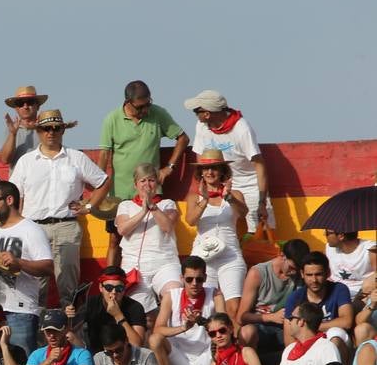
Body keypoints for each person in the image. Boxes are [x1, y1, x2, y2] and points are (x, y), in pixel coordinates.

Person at [10, 108, 110, 306]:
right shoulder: (26, 162)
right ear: (38, 131)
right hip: (34, 228)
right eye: (46, 128)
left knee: (69, 287)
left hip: (66, 225)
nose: (51, 132)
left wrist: (89, 207)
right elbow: (13, 195)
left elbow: (103, 181)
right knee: (34, 288)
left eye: (56, 128)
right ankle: (35, 334)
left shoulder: (76, 157)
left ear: (63, 130)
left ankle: (72, 333)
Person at [96, 80, 189, 252]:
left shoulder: (158, 114)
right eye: (140, 107)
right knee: (115, 239)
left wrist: (170, 167)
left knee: (154, 234)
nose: (145, 110)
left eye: (148, 104)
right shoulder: (112, 119)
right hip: (121, 192)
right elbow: (104, 154)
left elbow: (183, 138)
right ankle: (112, 278)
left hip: (151, 189)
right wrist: (98, 187)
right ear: (127, 102)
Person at [0, 180, 54, 357]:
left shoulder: (32, 230)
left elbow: (49, 268)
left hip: (20, 311)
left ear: (9, 200)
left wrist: (19, 263)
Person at [186, 89, 272, 236]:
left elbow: (259, 164)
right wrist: (203, 186)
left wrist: (261, 201)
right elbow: (201, 158)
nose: (196, 115)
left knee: (259, 231)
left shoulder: (241, 129)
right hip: (219, 181)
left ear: (207, 113)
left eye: (196, 111)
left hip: (249, 184)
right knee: (222, 227)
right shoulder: (201, 126)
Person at [149, 258, 229, 365]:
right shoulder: (170, 296)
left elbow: (225, 326)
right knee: (155, 340)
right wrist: (183, 327)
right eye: (189, 279)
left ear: (205, 277)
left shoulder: (215, 294)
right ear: (182, 278)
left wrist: (201, 321)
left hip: (207, 357)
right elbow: (158, 329)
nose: (194, 284)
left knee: (223, 339)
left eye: (199, 279)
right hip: (178, 358)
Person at [112, 162, 185, 313]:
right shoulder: (125, 205)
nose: (147, 184)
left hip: (165, 263)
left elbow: (167, 227)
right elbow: (122, 229)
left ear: (157, 183)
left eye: (151, 180)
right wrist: (143, 211)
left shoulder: (167, 204)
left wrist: (153, 207)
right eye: (142, 180)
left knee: (174, 295)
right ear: (135, 184)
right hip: (135, 267)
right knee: (141, 314)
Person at [186, 150, 249, 319]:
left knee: (234, 307)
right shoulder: (195, 197)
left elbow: (244, 213)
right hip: (204, 256)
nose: (209, 172)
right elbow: (190, 220)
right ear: (200, 172)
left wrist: (229, 198)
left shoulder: (235, 194)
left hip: (230, 255)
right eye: (205, 169)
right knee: (206, 307)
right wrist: (205, 200)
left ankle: (236, 344)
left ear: (222, 170)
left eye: (214, 168)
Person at [238, 238, 307, 354]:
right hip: (260, 326)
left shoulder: (302, 276)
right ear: (282, 255)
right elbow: (241, 317)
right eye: (291, 268)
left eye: (298, 269)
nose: (294, 273)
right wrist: (272, 317)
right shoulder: (258, 273)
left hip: (287, 328)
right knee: (246, 332)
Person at [285, 251, 355, 357]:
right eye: (309, 275)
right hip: (306, 345)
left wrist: (309, 327)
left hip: (336, 342)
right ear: (302, 274)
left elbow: (346, 322)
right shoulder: (295, 297)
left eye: (318, 274)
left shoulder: (339, 289)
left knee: (334, 335)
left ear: (328, 273)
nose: (314, 280)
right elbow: (289, 335)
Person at [75, 265, 149, 350]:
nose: (113, 292)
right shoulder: (90, 303)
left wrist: (118, 315)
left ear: (124, 289)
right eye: (109, 288)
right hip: (96, 355)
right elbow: (71, 330)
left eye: (119, 288)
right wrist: (70, 315)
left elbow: (137, 345)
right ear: (100, 288)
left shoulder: (135, 307)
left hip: (123, 356)